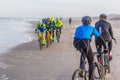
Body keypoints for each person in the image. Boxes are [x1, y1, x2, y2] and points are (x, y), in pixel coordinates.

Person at [73, 16, 108, 80]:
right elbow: (100, 38)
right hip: (85, 43)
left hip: (76, 43)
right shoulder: (92, 28)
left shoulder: (78, 28)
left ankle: (81, 69)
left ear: (82, 22)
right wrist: (105, 48)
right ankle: (90, 78)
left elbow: (77, 36)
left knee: (84, 53)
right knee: (91, 62)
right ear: (90, 22)